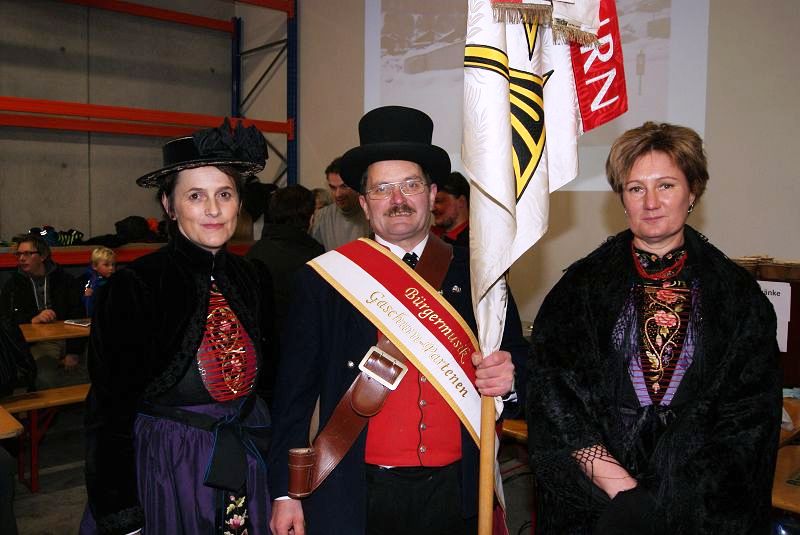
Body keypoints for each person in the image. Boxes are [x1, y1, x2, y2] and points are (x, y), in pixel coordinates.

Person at [267, 105, 528, 535]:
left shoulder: (480, 274)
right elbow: (292, 395)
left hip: (457, 491)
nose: (398, 199)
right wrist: (285, 493)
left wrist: (510, 378)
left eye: (411, 184)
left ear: (432, 194)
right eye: (382, 189)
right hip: (359, 493)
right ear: (365, 204)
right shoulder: (324, 280)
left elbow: (522, 363)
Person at [525, 122, 782, 533]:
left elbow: (749, 417)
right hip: (600, 503)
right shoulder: (580, 288)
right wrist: (623, 492)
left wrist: (675, 499)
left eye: (666, 185)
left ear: (692, 192)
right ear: (621, 199)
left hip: (702, 509)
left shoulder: (737, 296)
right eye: (635, 188)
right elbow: (555, 400)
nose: (651, 202)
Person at [81, 119, 274, 535]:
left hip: (246, 458)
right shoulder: (136, 285)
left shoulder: (253, 277)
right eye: (195, 195)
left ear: (239, 203)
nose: (213, 209)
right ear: (169, 206)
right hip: (169, 467)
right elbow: (108, 411)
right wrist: (120, 512)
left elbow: (272, 385)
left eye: (224, 194)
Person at [247, 185, 324, 405]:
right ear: (310, 218)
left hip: (259, 366)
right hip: (302, 367)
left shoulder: (254, 254)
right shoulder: (317, 259)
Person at [0, 234, 85, 388]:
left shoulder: (64, 280)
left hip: (66, 337)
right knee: (41, 377)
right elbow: (6, 319)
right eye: (19, 254)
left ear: (43, 255)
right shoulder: (13, 285)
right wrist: (32, 318)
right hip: (35, 342)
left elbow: (78, 314)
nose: (21, 258)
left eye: (28, 253)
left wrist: (74, 351)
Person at [309, 156, 369, 250]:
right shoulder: (322, 217)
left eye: (344, 187)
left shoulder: (371, 214)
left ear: (356, 184)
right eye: (333, 188)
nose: (338, 194)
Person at [431, 171, 470, 247]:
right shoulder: (429, 235)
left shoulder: (474, 244)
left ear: (461, 202)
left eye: (438, 201)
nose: (432, 208)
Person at [80, 246, 116, 318]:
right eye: (106, 265)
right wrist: (87, 296)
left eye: (113, 264)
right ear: (94, 266)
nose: (111, 268)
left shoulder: (116, 281)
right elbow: (86, 306)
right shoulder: (89, 282)